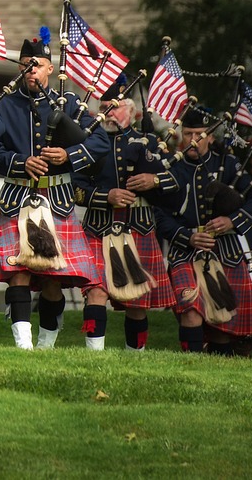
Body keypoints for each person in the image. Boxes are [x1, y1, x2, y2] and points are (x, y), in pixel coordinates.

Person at [0, 29, 109, 350]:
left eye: (38, 64)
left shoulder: (69, 103)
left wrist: (68, 155)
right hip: (18, 198)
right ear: (20, 68)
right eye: (27, 64)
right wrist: (19, 162)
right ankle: (23, 346)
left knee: (53, 281)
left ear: (49, 69)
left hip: (57, 200)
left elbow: (99, 141)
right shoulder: (5, 106)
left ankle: (45, 345)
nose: (32, 69)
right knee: (18, 272)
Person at [153, 107, 252, 355]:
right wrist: (187, 236)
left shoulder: (228, 164)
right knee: (191, 310)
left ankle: (217, 370)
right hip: (185, 252)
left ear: (211, 138)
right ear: (181, 136)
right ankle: (191, 365)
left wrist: (232, 220)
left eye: (200, 134)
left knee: (221, 323)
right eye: (188, 134)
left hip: (224, 252)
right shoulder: (170, 167)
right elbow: (157, 213)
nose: (193, 140)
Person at [74, 90, 177, 350]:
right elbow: (76, 188)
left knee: (137, 302)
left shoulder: (149, 142)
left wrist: (153, 180)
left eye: (114, 107)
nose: (107, 112)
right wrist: (105, 196)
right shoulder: (89, 142)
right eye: (104, 106)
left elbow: (176, 181)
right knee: (95, 292)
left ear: (131, 112)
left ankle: (136, 355)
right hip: (98, 226)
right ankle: (93, 356)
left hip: (137, 226)